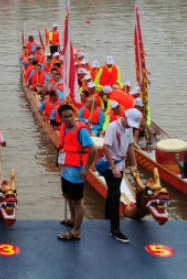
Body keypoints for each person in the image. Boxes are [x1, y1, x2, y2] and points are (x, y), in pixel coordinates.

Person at [100, 108, 141, 243]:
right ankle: (114, 229)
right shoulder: (112, 127)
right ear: (124, 116)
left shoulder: (129, 128)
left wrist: (134, 163)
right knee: (116, 194)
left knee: (112, 192)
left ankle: (107, 219)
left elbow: (130, 146)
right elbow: (105, 147)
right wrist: (113, 168)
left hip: (121, 164)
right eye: (129, 122)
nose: (130, 125)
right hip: (110, 165)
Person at [56, 104, 97, 241]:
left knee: (78, 201)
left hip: (77, 170)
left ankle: (76, 231)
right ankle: (73, 219)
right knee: (67, 195)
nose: (69, 119)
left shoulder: (81, 130)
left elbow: (93, 149)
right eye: (66, 117)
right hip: (66, 167)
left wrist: (86, 169)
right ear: (60, 118)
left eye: (71, 116)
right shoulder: (63, 127)